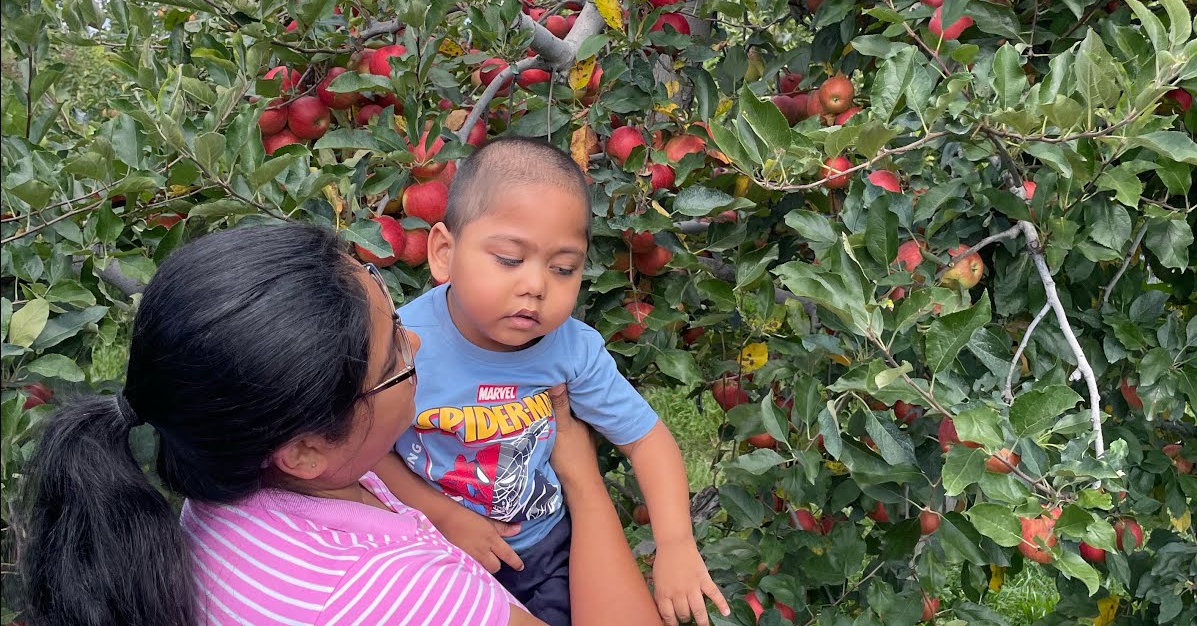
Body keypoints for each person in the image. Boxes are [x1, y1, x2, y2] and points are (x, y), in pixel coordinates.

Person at [18, 223, 661, 626]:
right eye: (394, 360)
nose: (414, 340)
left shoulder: (218, 494)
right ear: (303, 451)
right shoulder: (400, 596)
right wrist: (578, 469)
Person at [374, 137, 729, 626]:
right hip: (435, 545)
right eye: (509, 259)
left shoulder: (571, 349)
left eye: (564, 268)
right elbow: (371, 450)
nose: (537, 286)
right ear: (443, 253)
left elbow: (647, 441)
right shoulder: (405, 342)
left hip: (540, 549)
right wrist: (444, 516)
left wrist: (675, 543)